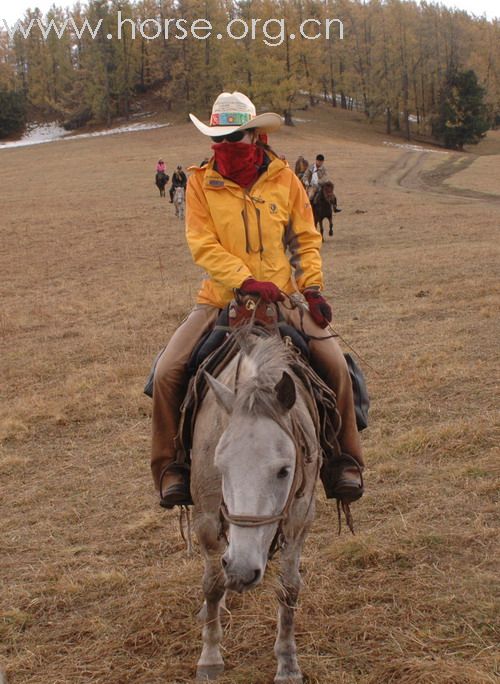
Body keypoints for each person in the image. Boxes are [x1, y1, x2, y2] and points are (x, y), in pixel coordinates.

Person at [151, 91, 363, 509]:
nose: (227, 144)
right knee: (166, 372)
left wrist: (312, 290)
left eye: (237, 135)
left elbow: (305, 238)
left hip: (281, 296)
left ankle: (343, 459)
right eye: (220, 136)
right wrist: (244, 280)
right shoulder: (199, 182)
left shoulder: (284, 179)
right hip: (219, 299)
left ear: (256, 135)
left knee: (337, 365)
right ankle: (172, 466)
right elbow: (203, 245)